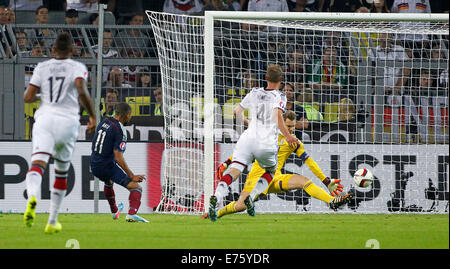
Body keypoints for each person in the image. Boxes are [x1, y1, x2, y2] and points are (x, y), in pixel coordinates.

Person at [203, 110, 353, 220]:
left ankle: (332, 201)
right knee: (241, 205)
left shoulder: (294, 142)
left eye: (293, 127)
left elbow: (310, 162)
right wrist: (227, 162)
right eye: (288, 126)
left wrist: (326, 181)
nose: (291, 130)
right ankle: (217, 212)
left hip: (275, 178)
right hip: (256, 176)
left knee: (305, 182)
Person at [23, 32, 96, 234]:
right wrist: (92, 116)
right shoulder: (77, 67)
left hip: (45, 119)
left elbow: (28, 97)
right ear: (72, 50)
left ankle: (32, 198)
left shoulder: (42, 67)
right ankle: (52, 220)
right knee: (61, 170)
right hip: (67, 121)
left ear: (53, 49)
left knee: (37, 164)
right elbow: (81, 91)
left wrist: (43, 95)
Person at [208, 64, 297, 222]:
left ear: (266, 78)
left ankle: (216, 196)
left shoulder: (254, 92)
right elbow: (277, 116)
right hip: (266, 142)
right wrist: (288, 136)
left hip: (247, 138)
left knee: (235, 169)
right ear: (281, 80)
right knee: (270, 171)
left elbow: (236, 111)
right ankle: (252, 196)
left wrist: (247, 121)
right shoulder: (280, 97)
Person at [90, 102, 149, 223]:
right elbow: (118, 157)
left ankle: (114, 211)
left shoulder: (104, 121)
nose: (130, 117)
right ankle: (132, 214)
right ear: (126, 115)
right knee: (136, 188)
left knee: (108, 181)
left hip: (93, 164)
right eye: (130, 114)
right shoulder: (119, 130)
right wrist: (131, 176)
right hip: (106, 166)